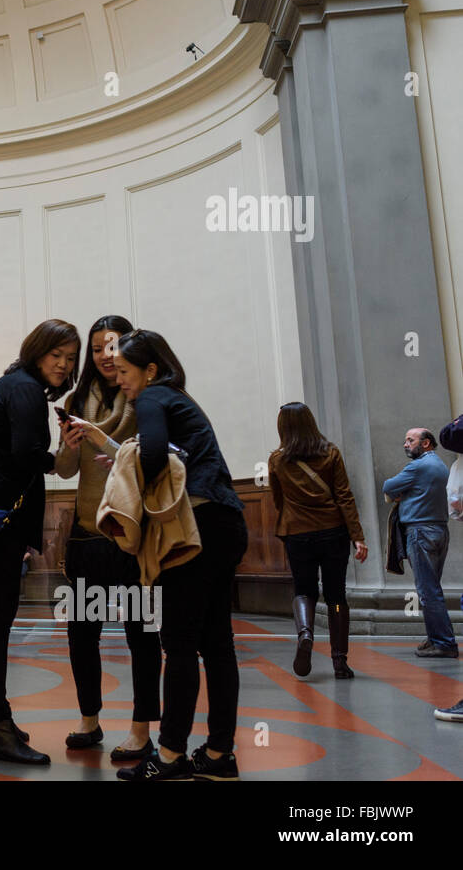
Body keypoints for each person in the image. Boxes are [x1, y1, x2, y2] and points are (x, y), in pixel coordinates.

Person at [81, 330, 246, 781]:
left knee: (178, 645)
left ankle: (171, 755)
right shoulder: (180, 399)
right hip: (225, 522)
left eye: (126, 373)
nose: (121, 382)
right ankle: (218, 755)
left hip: (193, 531)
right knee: (216, 645)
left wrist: (124, 465)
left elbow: (152, 456)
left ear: (149, 370)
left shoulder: (153, 398)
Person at [0, 319, 78, 764]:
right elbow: (26, 454)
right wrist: (62, 456)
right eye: (57, 356)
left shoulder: (14, 384)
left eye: (70, 360)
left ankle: (0, 722)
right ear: (37, 351)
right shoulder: (25, 390)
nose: (64, 366)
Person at [54, 315, 161, 760]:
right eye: (95, 348)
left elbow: (156, 463)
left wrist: (112, 449)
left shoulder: (144, 396)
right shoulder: (79, 398)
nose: (103, 355)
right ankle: (89, 720)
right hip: (86, 531)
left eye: (111, 345)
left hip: (133, 532)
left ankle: (141, 729)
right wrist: (70, 444)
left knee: (141, 632)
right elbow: (64, 471)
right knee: (82, 631)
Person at [268, 403, 368, 679]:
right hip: (333, 532)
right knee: (336, 595)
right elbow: (344, 496)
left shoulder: (277, 460)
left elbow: (277, 500)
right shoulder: (331, 453)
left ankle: (305, 634)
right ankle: (339, 661)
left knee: (304, 591)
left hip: (297, 534)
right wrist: (357, 536)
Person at [383, 428, 455, 659]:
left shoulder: (418, 466)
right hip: (439, 531)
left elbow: (388, 486)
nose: (405, 444)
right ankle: (436, 638)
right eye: (405, 440)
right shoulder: (441, 465)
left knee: (427, 591)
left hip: (420, 532)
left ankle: (444, 643)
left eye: (410, 440)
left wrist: (400, 494)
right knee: (431, 588)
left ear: (425, 443)